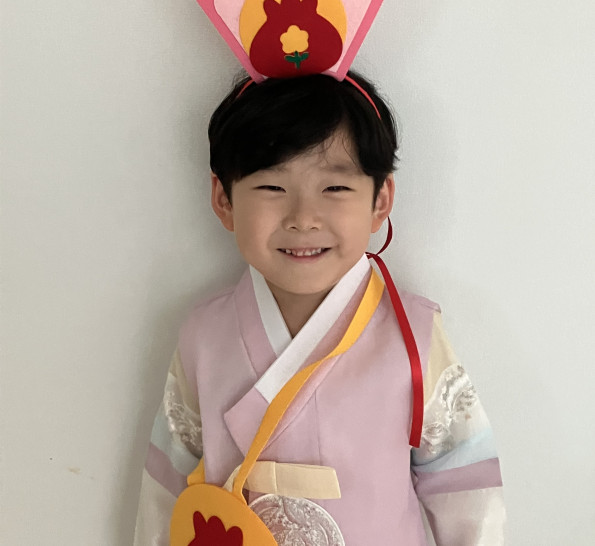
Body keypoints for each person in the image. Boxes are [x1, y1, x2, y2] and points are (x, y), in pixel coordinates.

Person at [134, 72, 505, 545]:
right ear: (223, 199)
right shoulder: (203, 335)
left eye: (335, 189)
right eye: (272, 187)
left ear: (380, 201)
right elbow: (167, 486)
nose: (303, 218)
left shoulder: (414, 335)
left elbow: (466, 487)